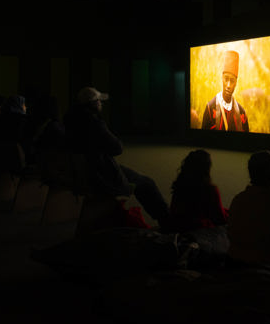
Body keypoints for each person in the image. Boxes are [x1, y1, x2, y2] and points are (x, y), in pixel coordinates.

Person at [64, 86, 169, 225]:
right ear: (93, 104)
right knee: (147, 183)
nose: (101, 104)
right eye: (99, 101)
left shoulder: (70, 121)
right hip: (101, 173)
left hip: (86, 171)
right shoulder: (93, 123)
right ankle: (166, 220)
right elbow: (117, 148)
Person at [164, 149, 228, 234]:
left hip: (179, 230)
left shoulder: (180, 186)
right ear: (207, 168)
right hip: (200, 233)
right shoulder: (210, 190)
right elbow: (220, 219)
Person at [201, 50, 249, 132]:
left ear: (236, 83)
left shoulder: (242, 113)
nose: (228, 85)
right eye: (226, 79)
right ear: (222, 78)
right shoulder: (210, 108)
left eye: (232, 81)